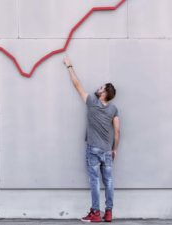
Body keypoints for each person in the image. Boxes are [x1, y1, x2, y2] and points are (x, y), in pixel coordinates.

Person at [63, 57, 120, 223]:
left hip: (94, 149)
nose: (98, 88)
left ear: (103, 93)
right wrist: (114, 148)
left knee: (95, 181)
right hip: (107, 151)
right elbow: (117, 130)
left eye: (101, 87)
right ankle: (108, 213)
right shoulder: (114, 109)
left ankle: (95, 213)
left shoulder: (93, 102)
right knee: (108, 181)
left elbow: (77, 85)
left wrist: (69, 66)